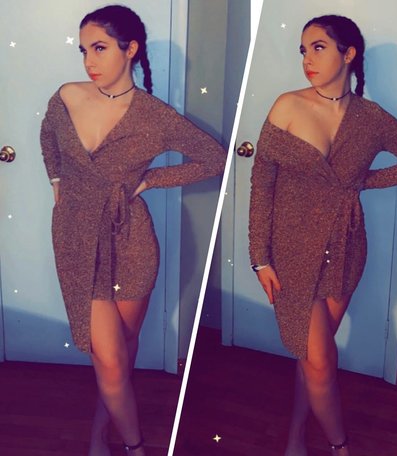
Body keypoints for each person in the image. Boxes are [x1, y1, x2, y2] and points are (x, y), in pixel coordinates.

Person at [40, 5, 226, 455]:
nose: (89, 61)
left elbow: (214, 159)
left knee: (121, 349)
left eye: (100, 48)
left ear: (130, 49)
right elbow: (47, 137)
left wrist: (151, 179)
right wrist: (57, 180)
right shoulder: (66, 97)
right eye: (84, 50)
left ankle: (99, 432)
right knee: (108, 357)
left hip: (131, 240)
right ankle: (136, 446)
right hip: (76, 239)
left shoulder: (154, 116)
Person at [249, 15, 397, 456]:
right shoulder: (287, 106)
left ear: (348, 54)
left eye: (318, 47)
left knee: (314, 358)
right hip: (290, 250)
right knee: (318, 360)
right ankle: (340, 446)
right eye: (303, 50)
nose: (307, 59)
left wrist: (362, 182)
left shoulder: (371, 118)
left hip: (346, 246)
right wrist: (259, 257)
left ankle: (296, 436)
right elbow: (262, 185)